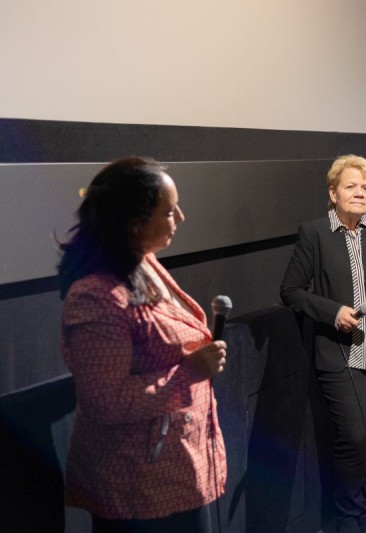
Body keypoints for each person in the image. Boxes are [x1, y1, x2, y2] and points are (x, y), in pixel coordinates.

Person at [58, 157, 228, 533]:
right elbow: (106, 401)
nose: (180, 217)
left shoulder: (143, 262)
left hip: (171, 470)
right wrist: (190, 373)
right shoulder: (96, 296)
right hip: (137, 486)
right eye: (169, 211)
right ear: (134, 225)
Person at [280, 154, 366, 533]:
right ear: (333, 192)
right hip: (340, 355)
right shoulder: (314, 233)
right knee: (355, 440)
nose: (360, 193)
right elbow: (291, 291)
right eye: (351, 186)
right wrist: (331, 312)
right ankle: (345, 517)